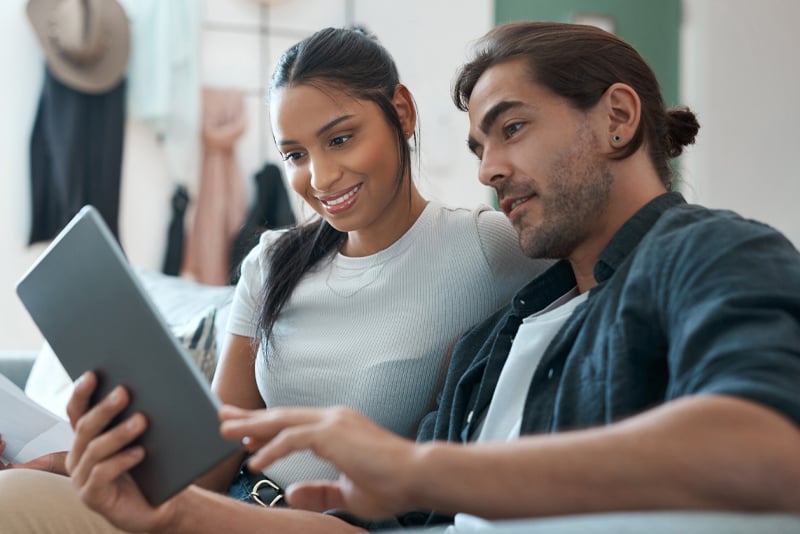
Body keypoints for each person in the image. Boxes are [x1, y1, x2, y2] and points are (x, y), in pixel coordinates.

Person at [6, 19, 800, 534]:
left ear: (619, 119)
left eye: (511, 129)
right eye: (481, 146)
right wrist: (155, 494)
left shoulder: (687, 256)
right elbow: (385, 520)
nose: (489, 169)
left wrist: (415, 468)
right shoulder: (509, 330)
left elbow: (771, 443)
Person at [0, 25, 546, 530]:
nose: (321, 177)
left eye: (340, 138)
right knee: (20, 487)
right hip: (219, 510)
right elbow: (214, 459)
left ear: (401, 111)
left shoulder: (487, 248)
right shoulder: (273, 262)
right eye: (295, 154)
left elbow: (606, 271)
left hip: (320, 525)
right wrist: (78, 465)